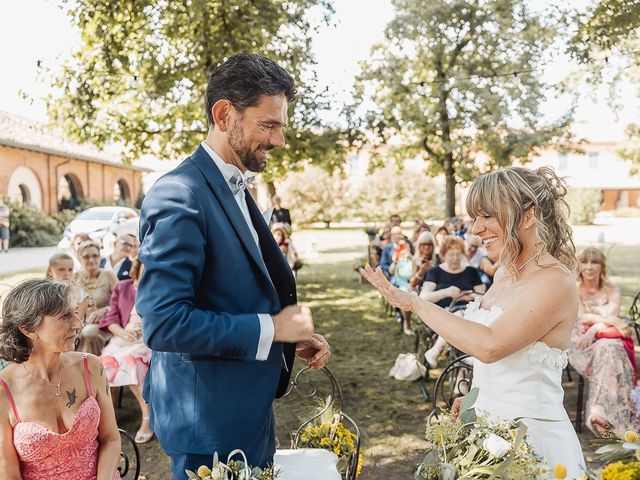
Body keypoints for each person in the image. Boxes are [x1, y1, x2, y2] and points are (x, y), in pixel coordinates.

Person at [137, 53, 331, 478]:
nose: (280, 141)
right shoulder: (179, 193)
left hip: (249, 413)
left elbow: (234, 291)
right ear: (225, 114)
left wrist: (285, 340)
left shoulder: (237, 187)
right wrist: (272, 329)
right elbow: (164, 323)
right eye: (269, 125)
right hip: (206, 425)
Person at [362, 166, 586, 478]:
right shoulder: (506, 273)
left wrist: (415, 303)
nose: (475, 230)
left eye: (487, 216)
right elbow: (504, 359)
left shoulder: (554, 281)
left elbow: (490, 345)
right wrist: (474, 398)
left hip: (532, 445)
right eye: (474, 218)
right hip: (487, 436)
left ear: (528, 215)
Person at [0, 279, 121, 479]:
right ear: (28, 329)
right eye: (65, 316)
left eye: (75, 312)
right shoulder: (4, 391)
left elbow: (111, 439)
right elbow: (8, 474)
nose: (78, 324)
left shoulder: (90, 366)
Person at [568, 247, 640, 437]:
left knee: (609, 347)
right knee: (611, 349)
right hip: (581, 344)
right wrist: (607, 322)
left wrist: (595, 328)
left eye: (595, 262)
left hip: (603, 340)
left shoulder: (612, 288)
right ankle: (608, 414)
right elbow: (583, 318)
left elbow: (608, 317)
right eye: (585, 262)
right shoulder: (573, 288)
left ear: (602, 267)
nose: (589, 267)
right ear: (579, 265)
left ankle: (600, 411)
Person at [99, 259, 154, 444]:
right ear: (138, 266)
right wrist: (123, 332)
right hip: (122, 339)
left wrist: (145, 330)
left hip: (146, 342)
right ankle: (110, 414)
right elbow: (110, 318)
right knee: (101, 365)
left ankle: (147, 418)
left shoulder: (157, 288)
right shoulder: (123, 287)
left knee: (131, 362)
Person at [74, 241, 118, 356]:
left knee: (89, 333)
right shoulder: (75, 277)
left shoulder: (108, 275)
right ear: (79, 259)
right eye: (86, 257)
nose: (91, 260)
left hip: (104, 323)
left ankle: (89, 369)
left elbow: (122, 303)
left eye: (95, 256)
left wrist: (105, 310)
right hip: (79, 323)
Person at [46, 252, 89, 322]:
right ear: (50, 270)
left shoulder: (80, 293)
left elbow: (77, 321)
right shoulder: (43, 292)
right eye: (61, 269)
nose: (67, 274)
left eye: (70, 269)